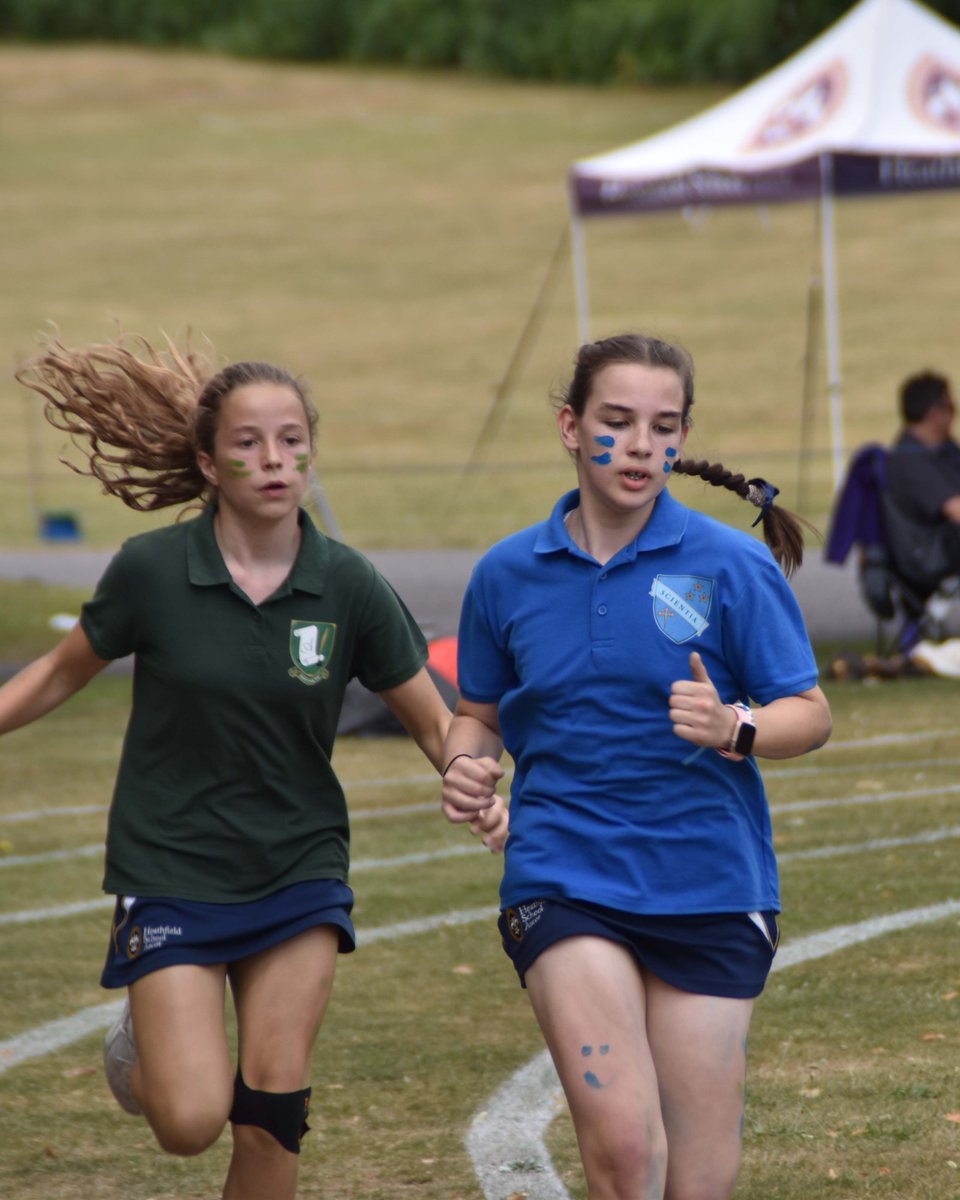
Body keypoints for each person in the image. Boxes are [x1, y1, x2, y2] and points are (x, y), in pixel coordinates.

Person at [2, 332, 506, 1200]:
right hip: (171, 864)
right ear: (208, 462)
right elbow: (56, 673)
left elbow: (436, 719)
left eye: (291, 441)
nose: (274, 461)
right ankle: (144, 1039)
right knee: (189, 1122)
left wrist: (468, 777)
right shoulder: (152, 571)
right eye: (247, 443)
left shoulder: (347, 583)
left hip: (298, 867)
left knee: (271, 1114)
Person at [440, 333, 832, 1200]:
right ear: (570, 427)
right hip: (563, 872)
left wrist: (736, 727)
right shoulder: (505, 575)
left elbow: (808, 715)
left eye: (663, 426)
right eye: (617, 421)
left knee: (697, 1177)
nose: (641, 444)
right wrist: (465, 766)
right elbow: (477, 717)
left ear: (682, 438)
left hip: (712, 882)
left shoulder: (731, 564)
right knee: (622, 1149)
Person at [885, 370, 960, 564]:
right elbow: (956, 510)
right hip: (932, 555)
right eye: (951, 406)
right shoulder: (910, 460)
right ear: (934, 413)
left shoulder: (943, 449)